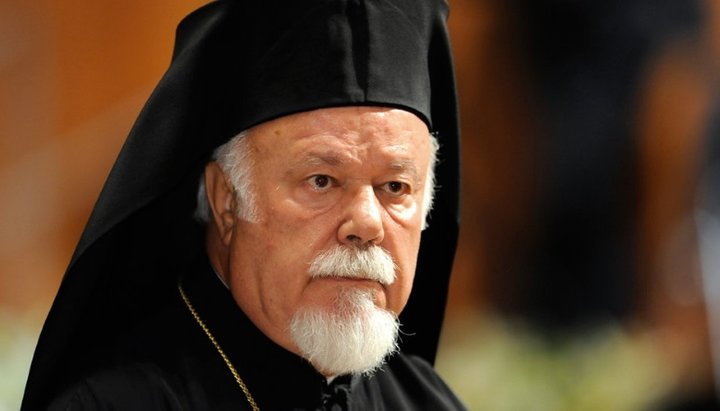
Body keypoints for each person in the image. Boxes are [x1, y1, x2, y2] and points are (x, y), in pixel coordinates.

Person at [22, 0, 463, 409]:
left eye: (394, 187)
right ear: (226, 200)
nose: (366, 223)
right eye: (322, 181)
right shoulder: (110, 404)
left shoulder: (429, 402)